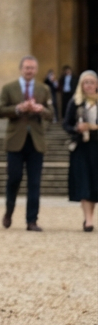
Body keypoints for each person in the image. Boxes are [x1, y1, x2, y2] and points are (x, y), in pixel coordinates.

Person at [0, 55, 53, 231]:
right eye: (27, 68)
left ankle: (32, 221)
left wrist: (41, 109)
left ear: (36, 70)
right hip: (15, 141)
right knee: (14, 179)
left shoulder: (43, 89)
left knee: (34, 182)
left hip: (36, 141)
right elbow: (0, 111)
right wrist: (18, 109)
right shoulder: (9, 88)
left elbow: (51, 114)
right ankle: (9, 212)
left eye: (32, 68)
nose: (29, 71)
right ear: (21, 69)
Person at [63, 70, 98, 232]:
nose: (89, 85)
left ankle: (89, 217)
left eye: (92, 82)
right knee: (83, 182)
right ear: (81, 85)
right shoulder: (75, 102)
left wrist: (92, 127)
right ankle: (88, 220)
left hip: (96, 147)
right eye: (86, 82)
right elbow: (66, 124)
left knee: (94, 183)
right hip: (81, 148)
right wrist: (76, 129)